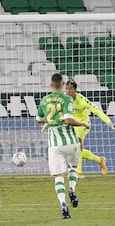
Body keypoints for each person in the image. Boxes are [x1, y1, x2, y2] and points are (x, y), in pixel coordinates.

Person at [36, 73, 90, 219]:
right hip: (71, 142)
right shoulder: (67, 98)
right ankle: (72, 188)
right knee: (73, 167)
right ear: (63, 84)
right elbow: (68, 120)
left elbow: (38, 119)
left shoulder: (45, 100)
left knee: (58, 176)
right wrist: (83, 123)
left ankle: (63, 205)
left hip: (55, 144)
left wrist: (50, 120)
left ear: (50, 85)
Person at [65, 79, 115, 178]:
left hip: (84, 125)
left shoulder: (82, 100)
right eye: (66, 89)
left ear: (75, 90)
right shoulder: (64, 99)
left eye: (70, 89)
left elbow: (97, 111)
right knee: (74, 150)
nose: (68, 91)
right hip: (72, 124)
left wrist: (111, 124)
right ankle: (100, 160)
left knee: (77, 144)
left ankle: (78, 173)